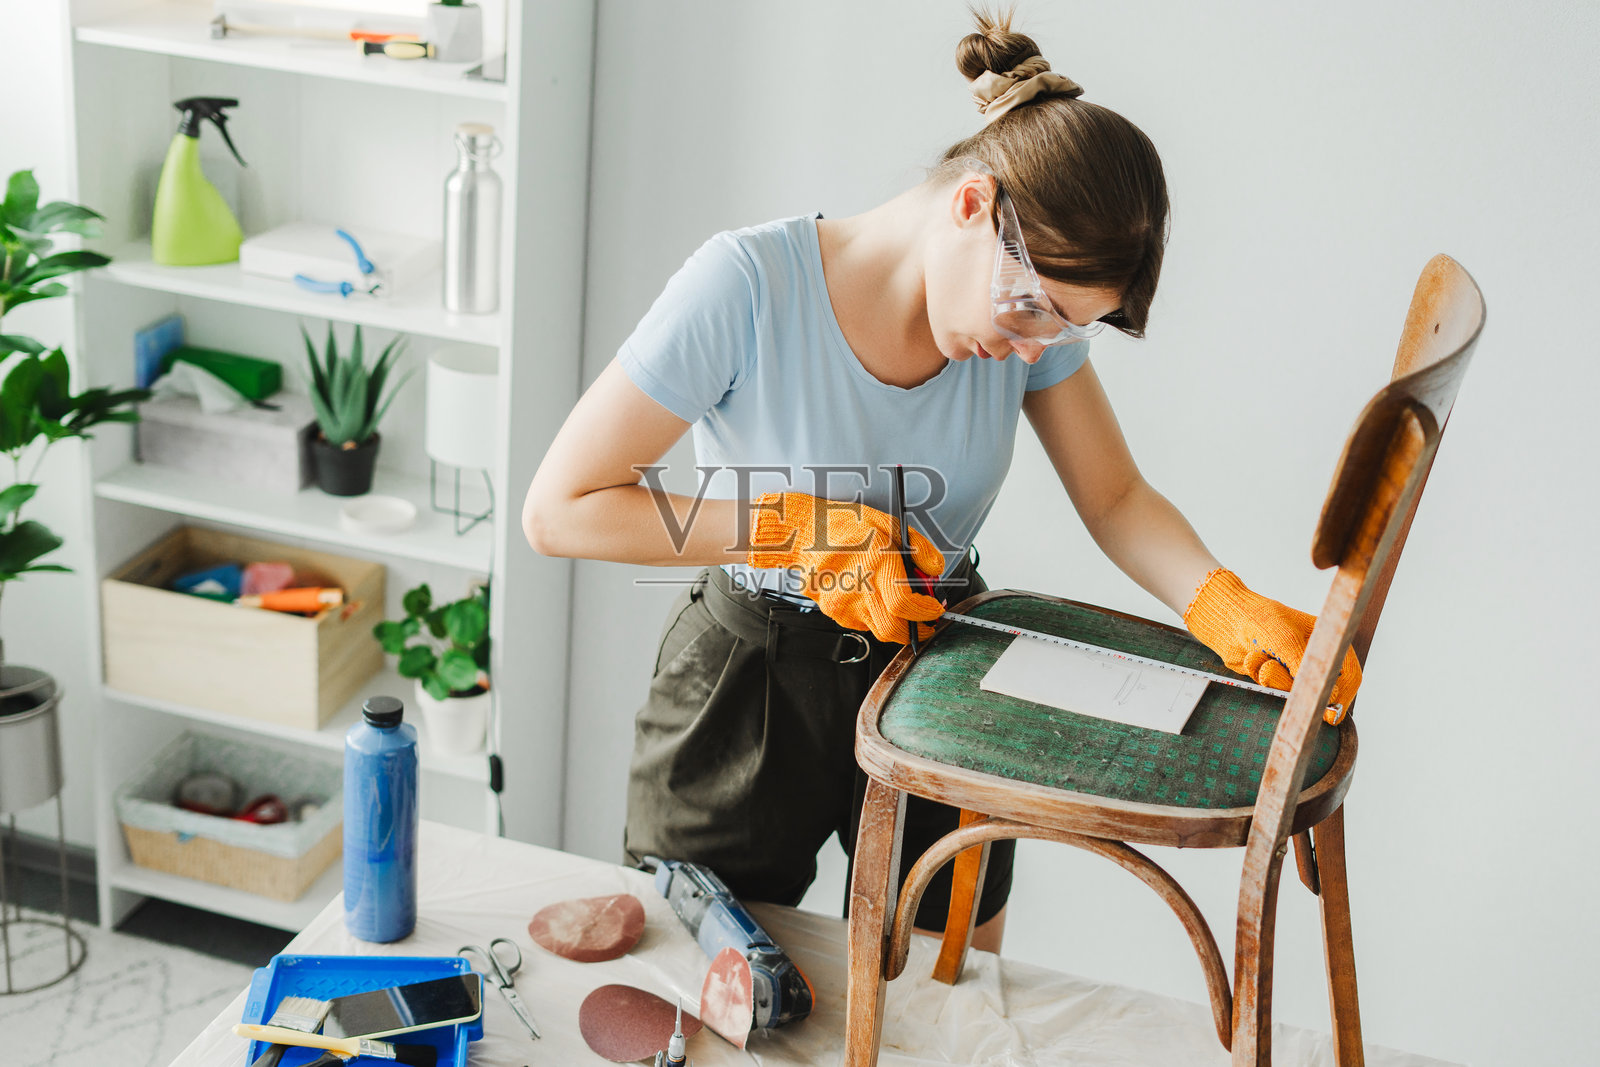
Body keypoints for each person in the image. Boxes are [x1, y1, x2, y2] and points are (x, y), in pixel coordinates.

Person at [522, 9, 1361, 955]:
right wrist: (793, 532)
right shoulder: (746, 286)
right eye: (1033, 307)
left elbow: (1116, 498)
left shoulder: (1016, 329)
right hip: (749, 684)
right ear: (972, 205)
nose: (1031, 346)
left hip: (942, 665)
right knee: (730, 1003)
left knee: (941, 1006)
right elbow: (562, 508)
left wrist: (1220, 601)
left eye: (1065, 329)